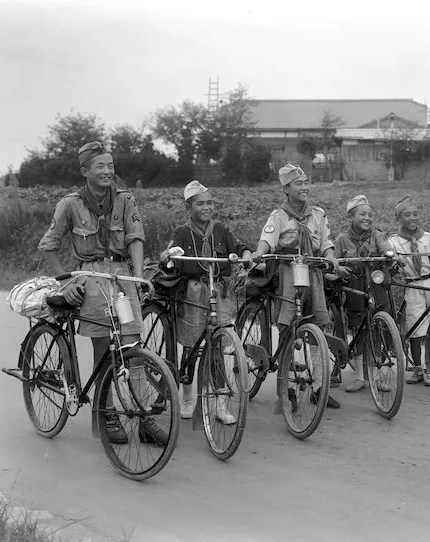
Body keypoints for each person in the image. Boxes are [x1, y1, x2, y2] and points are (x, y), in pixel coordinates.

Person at [38, 141, 167, 446]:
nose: (108, 171)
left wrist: (136, 278)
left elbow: (136, 239)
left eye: (110, 165)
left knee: (133, 345)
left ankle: (143, 417)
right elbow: (49, 245)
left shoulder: (125, 200)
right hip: (92, 278)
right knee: (104, 350)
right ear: (85, 171)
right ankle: (106, 413)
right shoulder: (70, 204)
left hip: (122, 276)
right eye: (100, 166)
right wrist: (66, 282)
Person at [250, 164, 342, 409]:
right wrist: (259, 253)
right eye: (298, 183)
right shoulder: (278, 216)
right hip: (288, 274)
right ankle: (287, 388)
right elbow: (266, 240)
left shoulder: (318, 214)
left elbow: (326, 241)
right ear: (286, 188)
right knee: (288, 326)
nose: (304, 187)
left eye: (306, 182)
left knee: (320, 327)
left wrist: (330, 255)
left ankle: (319, 388)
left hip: (313, 274)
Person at [160, 180, 252, 424]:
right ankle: (188, 397)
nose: (206, 207)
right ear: (188, 207)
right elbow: (169, 252)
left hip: (219, 291)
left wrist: (245, 256)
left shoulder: (221, 229)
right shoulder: (182, 231)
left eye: (210, 202)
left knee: (219, 343)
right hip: (193, 292)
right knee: (191, 345)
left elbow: (240, 246)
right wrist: (169, 255)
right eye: (200, 203)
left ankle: (221, 402)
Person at [333, 195, 393, 392]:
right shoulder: (342, 239)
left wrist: (391, 256)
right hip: (355, 287)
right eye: (362, 214)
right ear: (352, 216)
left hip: (376, 284)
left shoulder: (376, 235)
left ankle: (376, 376)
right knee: (358, 328)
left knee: (378, 328)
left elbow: (386, 248)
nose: (367, 218)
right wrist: (338, 270)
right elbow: (335, 262)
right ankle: (360, 377)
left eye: (370, 214)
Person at [389, 194, 430, 387]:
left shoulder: (428, 239)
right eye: (407, 215)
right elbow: (392, 263)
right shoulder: (394, 242)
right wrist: (394, 263)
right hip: (413, 285)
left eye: (415, 214)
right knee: (415, 327)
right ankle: (417, 368)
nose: (412, 218)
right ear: (399, 218)